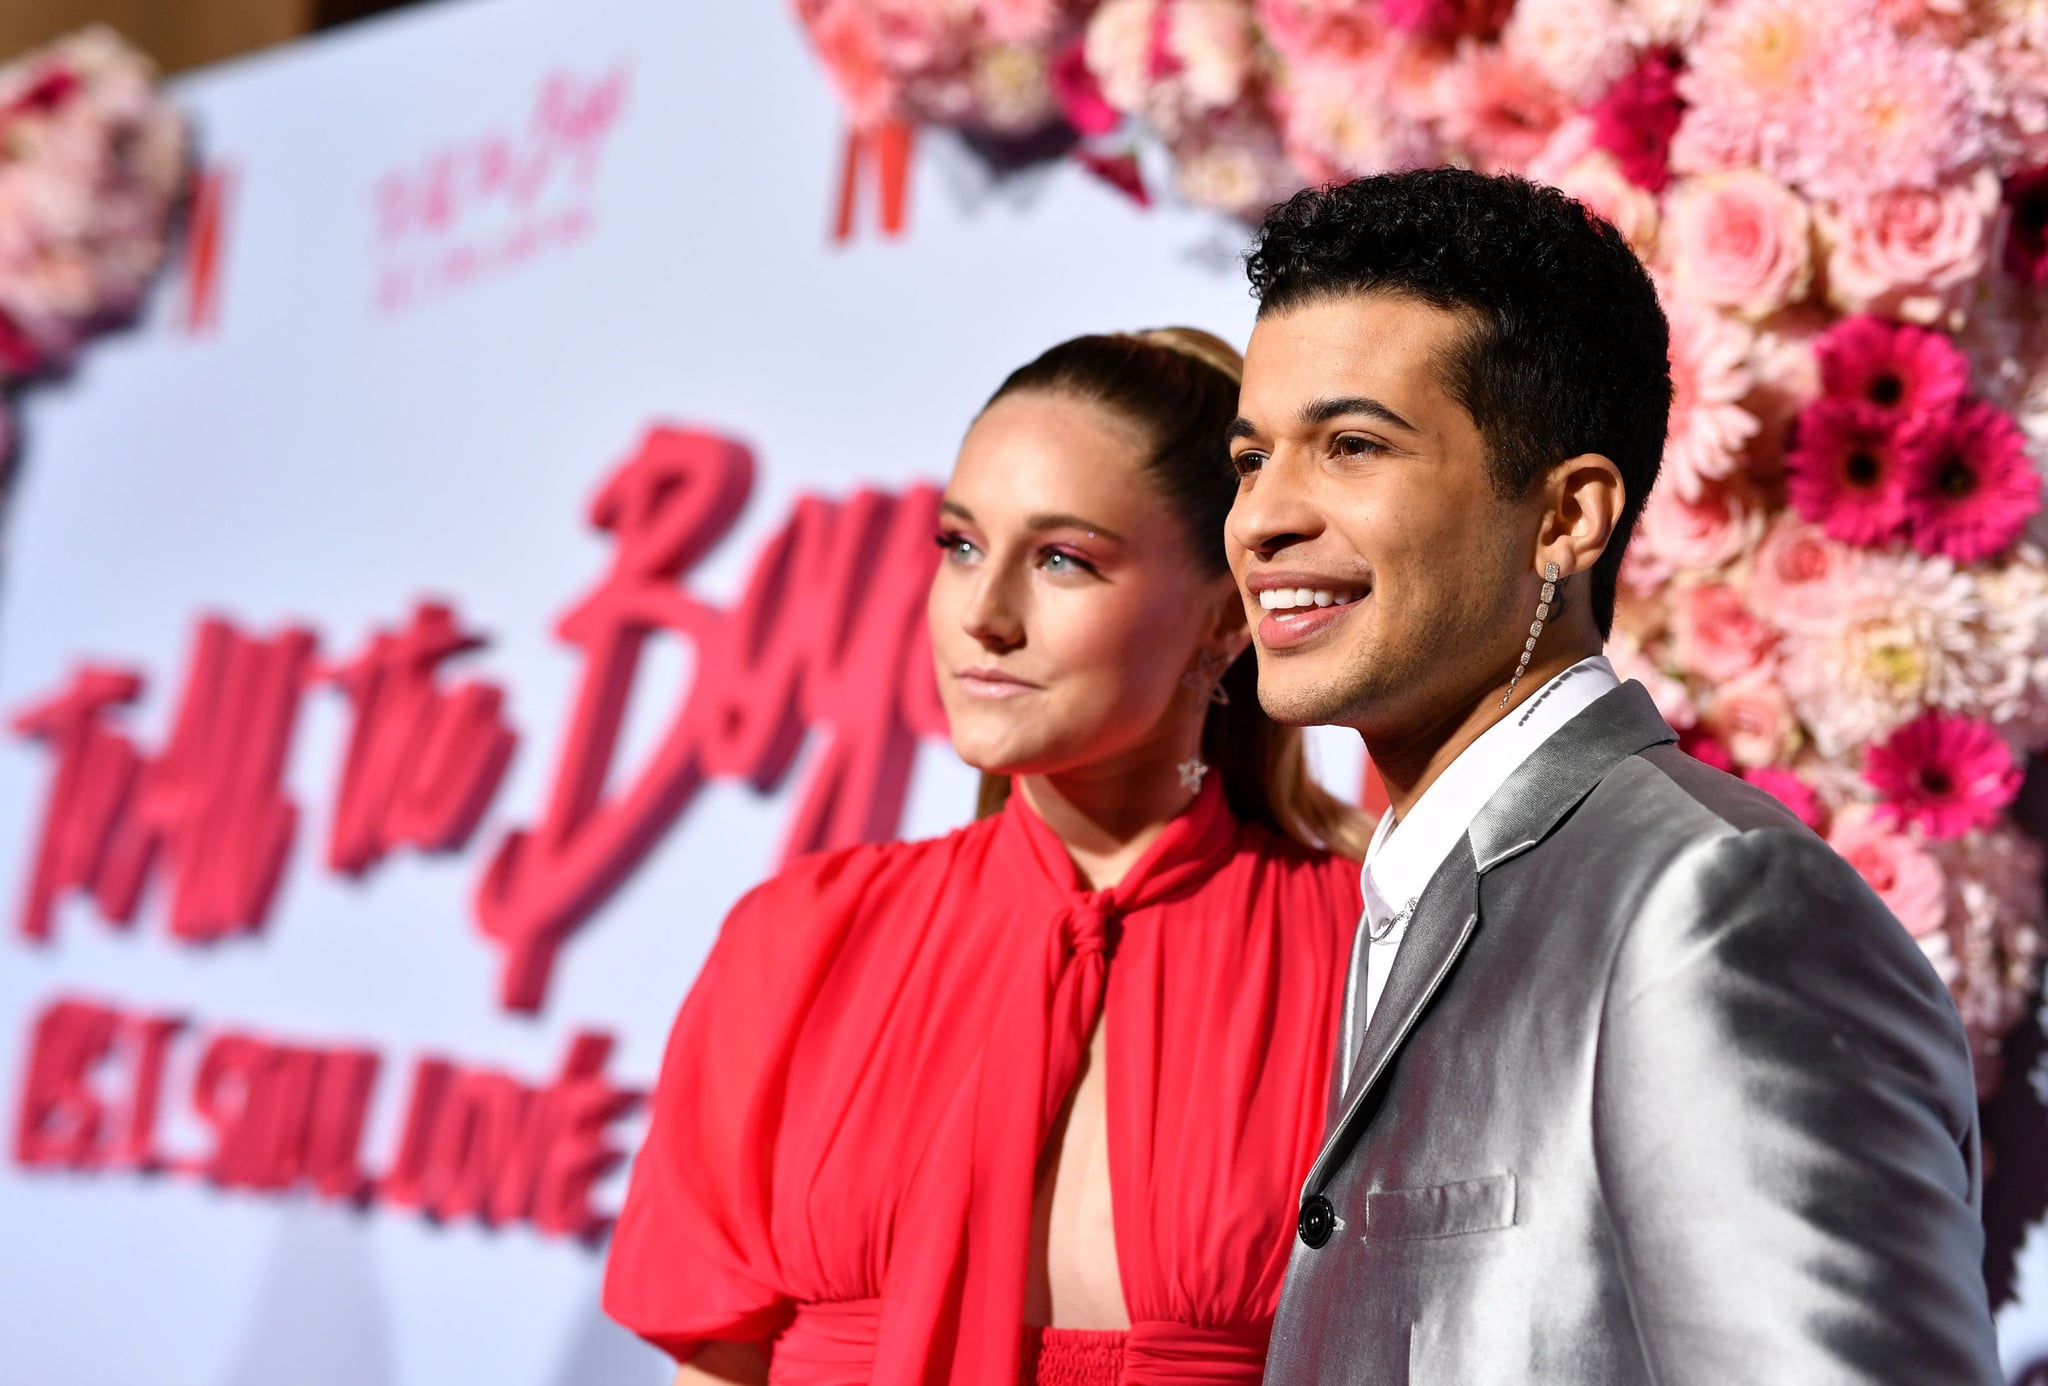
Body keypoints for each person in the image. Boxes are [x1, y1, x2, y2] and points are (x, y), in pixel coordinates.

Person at [1225, 169, 2001, 1384]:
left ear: (1566, 518)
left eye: (1350, 447)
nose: (1262, 518)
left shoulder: (1713, 904)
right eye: (1250, 457)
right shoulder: (1411, 889)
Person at [603, 328, 1371, 1386]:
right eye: (960, 546)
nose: (983, 615)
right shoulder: (801, 942)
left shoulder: (1369, 957)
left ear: (1223, 617)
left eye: (1063, 559)